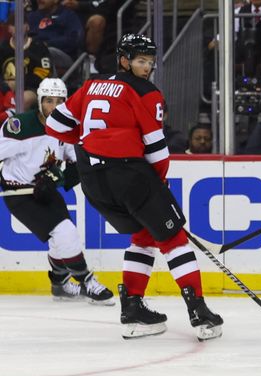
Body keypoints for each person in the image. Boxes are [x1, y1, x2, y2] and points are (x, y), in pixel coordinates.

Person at [45, 34, 223, 341]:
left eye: (150, 62)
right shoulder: (147, 92)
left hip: (93, 180)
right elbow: (156, 149)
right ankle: (199, 311)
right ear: (124, 60)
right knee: (174, 239)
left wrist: (92, 145)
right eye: (141, 61)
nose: (147, 67)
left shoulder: (91, 85)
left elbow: (55, 125)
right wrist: (160, 184)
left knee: (143, 235)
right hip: (128, 174)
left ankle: (133, 310)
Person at [0, 78, 113, 305]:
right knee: (65, 233)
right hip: (19, 194)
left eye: (59, 101)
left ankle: (60, 285)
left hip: (46, 190)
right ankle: (86, 281)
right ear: (40, 101)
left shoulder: (67, 129)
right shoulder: (20, 126)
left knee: (61, 239)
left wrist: (59, 178)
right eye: (49, 101)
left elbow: (77, 163)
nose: (53, 106)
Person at [0, 13, 52, 111]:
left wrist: (19, 83)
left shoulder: (38, 47)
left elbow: (44, 72)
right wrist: (5, 85)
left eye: (22, 24)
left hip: (32, 89)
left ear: (27, 27)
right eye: (14, 25)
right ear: (9, 29)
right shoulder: (3, 48)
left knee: (23, 99)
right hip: (5, 89)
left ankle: (15, 125)